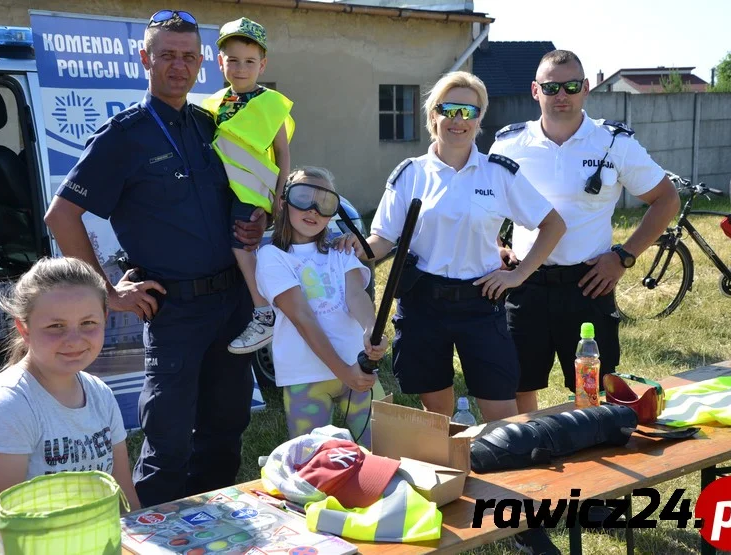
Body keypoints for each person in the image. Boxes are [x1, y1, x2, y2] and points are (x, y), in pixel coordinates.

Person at [43, 10, 267, 508]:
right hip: (174, 310)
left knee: (225, 430)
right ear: (146, 58)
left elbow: (247, 190)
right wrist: (106, 292)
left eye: (189, 56)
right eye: (167, 55)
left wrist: (258, 221)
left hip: (231, 304)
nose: (179, 66)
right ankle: (151, 537)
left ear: (201, 64)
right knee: (168, 443)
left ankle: (218, 531)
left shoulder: (213, 125)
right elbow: (61, 217)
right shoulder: (124, 136)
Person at [363, 71, 566, 425]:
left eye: (469, 112)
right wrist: (347, 249)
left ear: (479, 120)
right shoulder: (411, 174)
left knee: (501, 414)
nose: (459, 120)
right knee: (437, 416)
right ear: (433, 116)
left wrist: (518, 275)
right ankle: (454, 476)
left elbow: (553, 225)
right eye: (450, 109)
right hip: (423, 302)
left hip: (480, 302)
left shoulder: (498, 173)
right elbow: (381, 240)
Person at [490, 50, 680, 415]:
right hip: (524, 283)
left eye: (572, 85)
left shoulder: (613, 143)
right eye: (552, 87)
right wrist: (494, 244)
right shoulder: (509, 145)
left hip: (587, 283)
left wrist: (623, 257)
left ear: (586, 88)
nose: (562, 94)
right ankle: (527, 458)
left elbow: (666, 199)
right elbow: (483, 205)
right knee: (517, 384)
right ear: (535, 91)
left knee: (591, 390)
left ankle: (593, 459)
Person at [0, 257, 141, 542]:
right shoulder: (2, 409)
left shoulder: (100, 394)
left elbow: (126, 505)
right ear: (24, 329)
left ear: (104, 321)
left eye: (88, 322)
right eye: (56, 326)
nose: (74, 339)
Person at [256, 167, 388, 447]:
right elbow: (302, 317)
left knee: (388, 449)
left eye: (324, 203)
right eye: (304, 198)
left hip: (359, 369)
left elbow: (356, 295)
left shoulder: (340, 251)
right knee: (314, 464)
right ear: (284, 202)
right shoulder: (272, 257)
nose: (313, 210)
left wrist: (370, 329)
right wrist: (343, 371)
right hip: (306, 377)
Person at [202, 17, 294, 355]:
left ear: (263, 64)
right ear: (220, 62)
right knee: (233, 249)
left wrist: (278, 199)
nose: (241, 68)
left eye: (250, 61)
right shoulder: (211, 105)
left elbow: (283, 154)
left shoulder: (271, 103)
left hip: (254, 192)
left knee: (243, 246)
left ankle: (264, 312)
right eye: (233, 60)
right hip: (222, 192)